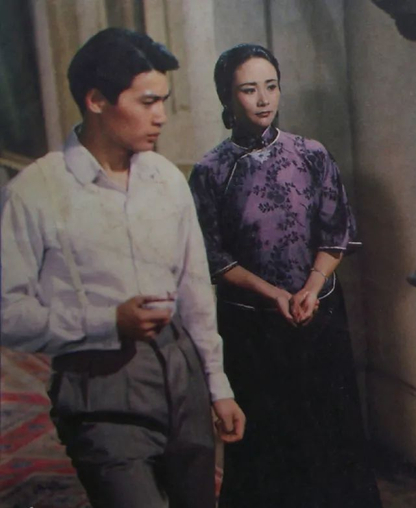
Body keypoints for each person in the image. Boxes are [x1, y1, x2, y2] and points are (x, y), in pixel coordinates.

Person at [0, 28, 245, 508]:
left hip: (183, 378)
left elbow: (195, 292)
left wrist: (218, 387)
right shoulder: (36, 190)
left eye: (164, 101)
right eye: (147, 102)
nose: (161, 116)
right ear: (96, 100)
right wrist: (108, 322)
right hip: (99, 388)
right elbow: (7, 313)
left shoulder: (166, 180)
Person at [188, 44, 382, 508]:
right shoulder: (211, 172)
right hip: (252, 329)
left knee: (331, 442)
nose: (263, 99)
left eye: (271, 86)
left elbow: (336, 234)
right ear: (226, 96)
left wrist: (311, 288)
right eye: (248, 90)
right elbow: (212, 256)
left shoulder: (312, 155)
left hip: (319, 317)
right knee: (267, 451)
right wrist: (274, 293)